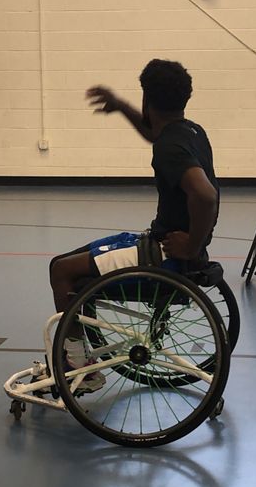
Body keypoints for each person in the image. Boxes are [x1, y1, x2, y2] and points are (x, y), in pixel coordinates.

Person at [49, 59, 220, 393]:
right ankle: (80, 353)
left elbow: (205, 194)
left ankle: (79, 368)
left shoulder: (170, 147)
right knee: (74, 261)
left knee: (61, 271)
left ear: (147, 100)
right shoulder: (189, 130)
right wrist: (120, 106)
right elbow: (153, 132)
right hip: (159, 244)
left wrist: (192, 246)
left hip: (161, 254)